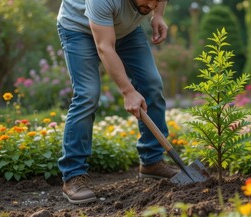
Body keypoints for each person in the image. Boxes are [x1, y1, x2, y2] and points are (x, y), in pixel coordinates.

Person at [56, 0, 179, 204]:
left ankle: (152, 161)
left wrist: (158, 15)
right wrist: (128, 91)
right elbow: (105, 47)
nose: (151, 4)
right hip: (79, 28)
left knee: (151, 84)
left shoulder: (151, 3)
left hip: (126, 30)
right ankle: (73, 175)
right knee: (87, 95)